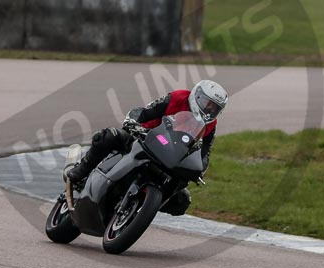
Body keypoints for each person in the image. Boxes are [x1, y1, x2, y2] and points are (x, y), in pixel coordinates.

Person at [66, 80, 228, 216]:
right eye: (208, 104)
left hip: (171, 156)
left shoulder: (210, 125)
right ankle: (82, 170)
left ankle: (139, 210)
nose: (210, 110)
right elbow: (145, 111)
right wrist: (133, 122)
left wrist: (199, 169)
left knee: (182, 202)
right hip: (143, 137)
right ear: (197, 96)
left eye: (215, 109)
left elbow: (205, 153)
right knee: (108, 136)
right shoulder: (177, 97)